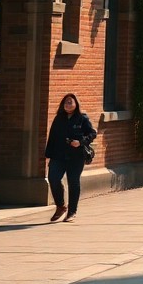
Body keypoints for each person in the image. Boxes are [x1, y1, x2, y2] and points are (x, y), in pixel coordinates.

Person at [44, 92, 96, 223]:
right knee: (53, 178)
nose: (67, 105)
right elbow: (52, 137)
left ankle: (72, 212)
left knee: (73, 182)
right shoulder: (59, 118)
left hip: (76, 156)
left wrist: (81, 142)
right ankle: (61, 206)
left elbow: (92, 133)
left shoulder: (82, 118)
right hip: (58, 155)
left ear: (76, 104)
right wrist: (49, 155)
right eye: (65, 102)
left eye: (70, 102)